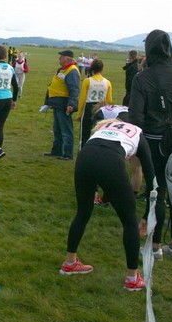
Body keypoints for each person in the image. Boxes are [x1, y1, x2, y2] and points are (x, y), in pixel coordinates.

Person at [60, 115, 154, 292]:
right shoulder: (138, 133)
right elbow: (151, 176)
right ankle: (132, 278)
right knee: (130, 221)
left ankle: (69, 262)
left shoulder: (103, 129)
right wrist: (149, 212)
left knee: (83, 212)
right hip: (110, 160)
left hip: (85, 156)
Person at [129, 30, 172, 260]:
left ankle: (154, 245)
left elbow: (136, 116)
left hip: (155, 140)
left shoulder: (142, 78)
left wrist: (136, 144)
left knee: (157, 190)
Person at [44, 50, 80, 160]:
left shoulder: (72, 71)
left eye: (61, 56)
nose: (59, 58)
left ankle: (68, 154)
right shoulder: (62, 69)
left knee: (66, 130)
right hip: (57, 103)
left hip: (64, 104)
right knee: (57, 129)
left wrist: (71, 104)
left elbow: (74, 90)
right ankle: (56, 151)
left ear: (68, 59)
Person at [76, 59, 113, 149]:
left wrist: (79, 114)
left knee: (85, 132)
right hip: (101, 107)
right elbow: (109, 100)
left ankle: (83, 150)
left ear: (92, 68)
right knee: (98, 132)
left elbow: (82, 99)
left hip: (89, 107)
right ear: (102, 69)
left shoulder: (87, 81)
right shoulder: (107, 82)